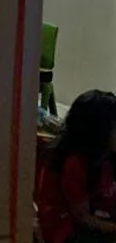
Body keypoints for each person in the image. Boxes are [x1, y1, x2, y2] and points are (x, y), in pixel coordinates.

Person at [37, 90, 116, 242]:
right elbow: (83, 218)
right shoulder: (75, 163)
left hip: (95, 216)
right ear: (99, 131)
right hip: (67, 228)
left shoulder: (105, 157)